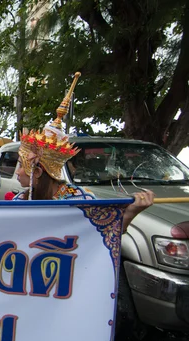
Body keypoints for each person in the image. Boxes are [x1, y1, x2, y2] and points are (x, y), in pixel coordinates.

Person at [12, 72, 154, 235]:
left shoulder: (80, 200)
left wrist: (130, 212)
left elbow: (102, 235)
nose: (17, 172)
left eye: (21, 165)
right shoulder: (20, 200)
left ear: (37, 172)